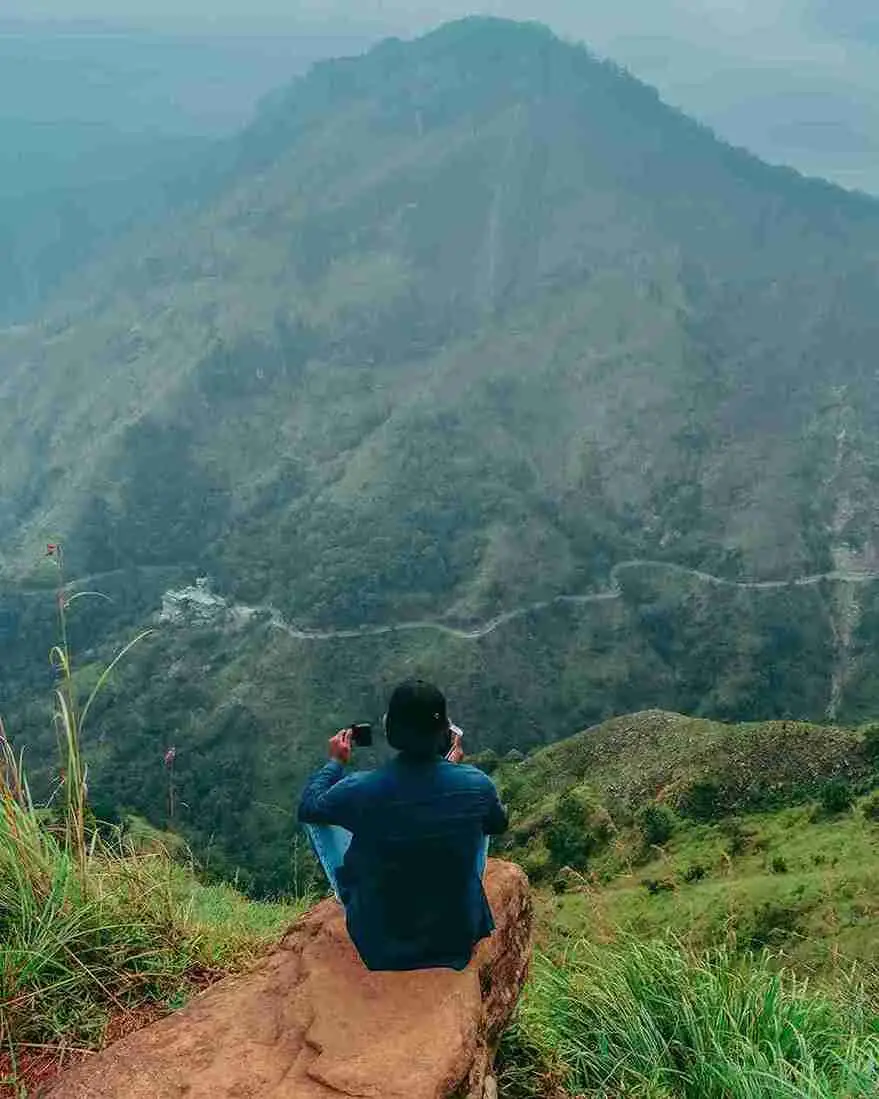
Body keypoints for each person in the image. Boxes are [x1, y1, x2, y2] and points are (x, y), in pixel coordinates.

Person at [298, 679, 509, 972]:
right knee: (477, 811)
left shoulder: (360, 789)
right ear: (446, 733)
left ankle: (346, 898)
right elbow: (498, 823)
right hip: (455, 939)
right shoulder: (476, 783)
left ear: (389, 730)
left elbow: (307, 807)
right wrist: (454, 773)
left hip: (381, 946)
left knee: (319, 817)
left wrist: (335, 762)